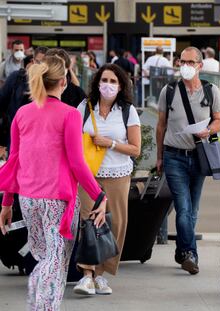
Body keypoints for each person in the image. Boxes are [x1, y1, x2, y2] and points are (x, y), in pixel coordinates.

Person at [0, 54, 107, 311]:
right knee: (55, 259)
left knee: (44, 257)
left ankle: (45, 304)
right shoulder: (69, 115)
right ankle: (44, 308)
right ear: (63, 81)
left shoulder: (22, 113)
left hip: (27, 198)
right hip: (58, 200)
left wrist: (6, 202)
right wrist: (99, 195)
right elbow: (77, 163)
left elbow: (13, 160)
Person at [74, 63, 141, 295]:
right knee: (88, 222)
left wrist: (110, 143)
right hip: (88, 176)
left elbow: (136, 149)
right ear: (97, 82)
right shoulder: (84, 107)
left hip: (118, 174)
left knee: (116, 224)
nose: (108, 85)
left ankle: (102, 274)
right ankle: (87, 274)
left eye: (113, 81)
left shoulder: (127, 111)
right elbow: (72, 142)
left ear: (121, 86)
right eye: (105, 80)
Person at [156, 46, 220, 275]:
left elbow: (218, 121)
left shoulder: (211, 90)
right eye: (181, 62)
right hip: (174, 155)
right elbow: (161, 125)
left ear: (200, 66)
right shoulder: (169, 90)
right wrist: (159, 156)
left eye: (190, 62)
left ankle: (182, 251)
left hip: (199, 155)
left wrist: (209, 131)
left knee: (193, 210)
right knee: (183, 208)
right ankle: (190, 253)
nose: (184, 66)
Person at [0, 47, 48, 152]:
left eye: (45, 63)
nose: (41, 66)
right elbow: (2, 103)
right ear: (33, 60)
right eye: (39, 61)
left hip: (42, 137)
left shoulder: (51, 83)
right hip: (16, 134)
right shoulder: (17, 78)